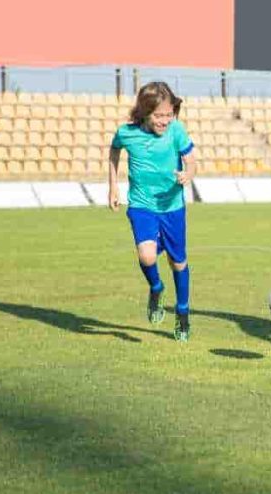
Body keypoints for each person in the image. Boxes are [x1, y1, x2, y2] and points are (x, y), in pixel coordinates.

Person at [108, 81, 196, 341]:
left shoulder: (176, 131)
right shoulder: (126, 133)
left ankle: (182, 314)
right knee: (147, 257)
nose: (165, 121)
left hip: (172, 208)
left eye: (169, 115)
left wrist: (187, 174)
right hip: (142, 205)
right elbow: (113, 152)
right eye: (159, 115)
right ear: (144, 112)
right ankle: (156, 288)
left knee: (177, 262)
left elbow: (191, 162)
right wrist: (113, 187)